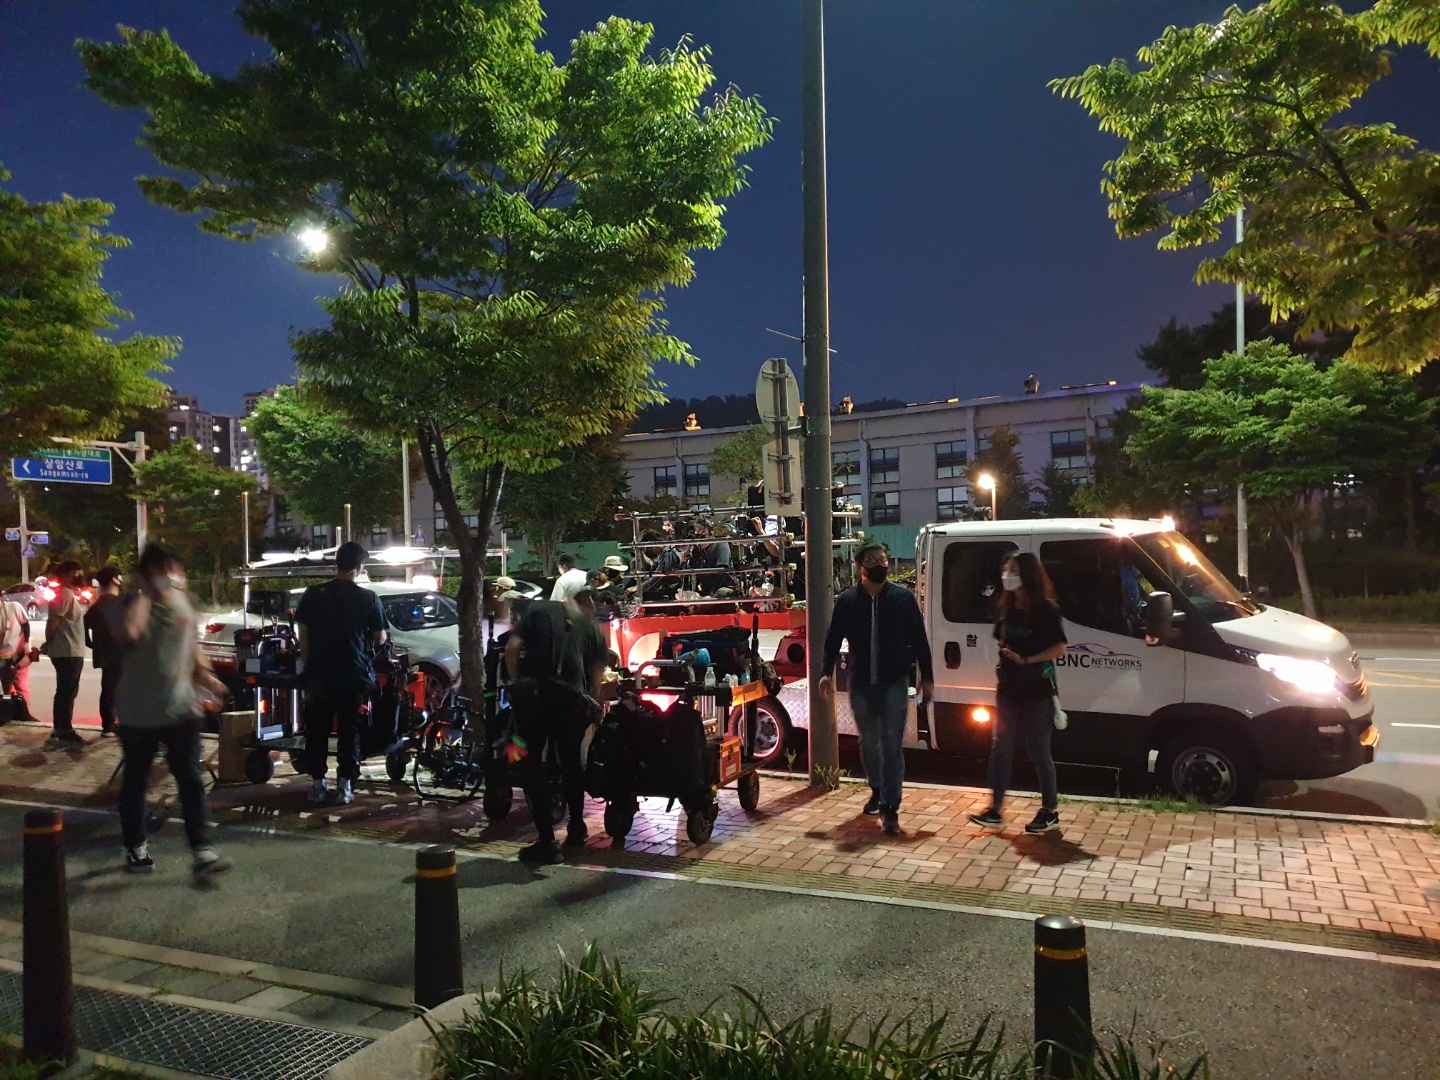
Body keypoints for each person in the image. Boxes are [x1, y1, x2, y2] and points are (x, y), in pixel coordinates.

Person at [114, 544, 232, 878]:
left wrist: (209, 679)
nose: (171, 574)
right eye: (162, 569)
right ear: (147, 573)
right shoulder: (134, 605)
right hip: (139, 712)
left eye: (173, 568)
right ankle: (135, 845)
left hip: (181, 708)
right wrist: (143, 593)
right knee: (136, 781)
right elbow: (129, 633)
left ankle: (203, 850)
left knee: (190, 779)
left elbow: (191, 647)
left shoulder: (182, 602)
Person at [819, 543, 934, 836]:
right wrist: (825, 673)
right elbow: (833, 638)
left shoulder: (902, 599)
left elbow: (920, 639)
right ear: (862, 568)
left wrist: (927, 676)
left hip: (894, 681)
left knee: (892, 742)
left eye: (883, 558)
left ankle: (890, 806)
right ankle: (877, 788)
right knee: (869, 742)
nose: (880, 563)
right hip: (860, 682)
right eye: (873, 560)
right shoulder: (848, 601)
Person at [504, 592, 607, 863]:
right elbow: (597, 672)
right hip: (572, 700)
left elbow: (512, 649)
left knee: (529, 762)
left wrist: (515, 684)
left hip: (536, 697)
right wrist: (592, 701)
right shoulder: (591, 626)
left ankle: (547, 841)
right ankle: (576, 828)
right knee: (571, 761)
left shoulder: (537, 610)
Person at [969, 552, 1068, 834]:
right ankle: (995, 809)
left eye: (1013, 569)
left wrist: (1026, 660)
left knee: (1038, 750)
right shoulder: (1008, 606)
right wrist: (1005, 649)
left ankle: (1050, 810)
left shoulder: (1046, 609)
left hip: (1037, 690)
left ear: (1027, 574)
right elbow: (1000, 637)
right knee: (1000, 748)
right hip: (1008, 690)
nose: (1006, 574)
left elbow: (1059, 648)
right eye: (1005, 569)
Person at [295, 541, 386, 806]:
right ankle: (345, 786)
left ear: (337, 564)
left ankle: (317, 785)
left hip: (319, 674)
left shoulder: (313, 594)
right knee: (349, 731)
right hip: (353, 675)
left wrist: (308, 666)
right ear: (359, 567)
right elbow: (380, 637)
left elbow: (303, 636)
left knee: (317, 731)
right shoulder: (368, 598)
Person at [42, 561, 88, 749]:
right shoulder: (64, 594)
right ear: (65, 574)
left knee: (67, 691)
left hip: (70, 650)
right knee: (66, 692)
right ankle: (63, 731)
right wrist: (48, 642)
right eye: (76, 573)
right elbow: (54, 621)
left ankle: (62, 729)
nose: (79, 576)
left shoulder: (68, 594)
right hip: (67, 650)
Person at [85, 566, 126, 736]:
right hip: (119, 652)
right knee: (118, 688)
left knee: (108, 687)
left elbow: (85, 624)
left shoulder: (97, 604)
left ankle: (108, 723)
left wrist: (92, 644)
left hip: (104, 653)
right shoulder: (117, 603)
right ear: (115, 580)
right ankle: (115, 723)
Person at [0, 594, 34, 718]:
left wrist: (26, 644)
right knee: (8, 689)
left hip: (19, 655)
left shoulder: (14, 607)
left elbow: (25, 624)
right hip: (3, 657)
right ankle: (13, 715)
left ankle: (25, 715)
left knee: (22, 687)